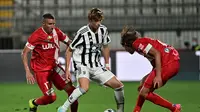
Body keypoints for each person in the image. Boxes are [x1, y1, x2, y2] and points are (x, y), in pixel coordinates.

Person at [57, 8, 124, 112]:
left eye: (100, 20)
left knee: (119, 85)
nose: (98, 23)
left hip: (96, 65)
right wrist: (67, 71)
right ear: (90, 20)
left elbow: (105, 46)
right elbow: (69, 50)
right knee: (84, 88)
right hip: (82, 65)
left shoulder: (103, 30)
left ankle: (120, 110)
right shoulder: (82, 33)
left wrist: (107, 64)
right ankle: (63, 108)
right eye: (95, 21)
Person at [21, 13, 78, 112]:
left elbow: (70, 42)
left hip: (55, 68)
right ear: (43, 24)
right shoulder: (36, 36)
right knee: (51, 98)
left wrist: (78, 45)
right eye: (50, 24)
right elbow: (24, 53)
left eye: (54, 24)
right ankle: (34, 103)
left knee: (74, 92)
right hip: (41, 71)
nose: (53, 26)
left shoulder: (57, 32)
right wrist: (27, 71)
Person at [120, 26, 181, 112]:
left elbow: (157, 53)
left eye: (124, 47)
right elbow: (155, 58)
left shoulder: (136, 44)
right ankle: (136, 111)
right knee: (143, 86)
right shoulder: (141, 43)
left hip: (168, 63)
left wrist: (158, 76)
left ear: (126, 44)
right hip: (172, 62)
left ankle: (174, 108)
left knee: (143, 92)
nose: (125, 50)